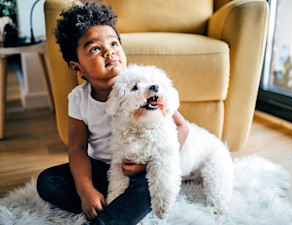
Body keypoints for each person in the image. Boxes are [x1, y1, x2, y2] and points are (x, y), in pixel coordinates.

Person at [36, 1, 189, 225]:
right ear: (78, 68)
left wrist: (146, 166)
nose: (110, 51)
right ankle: (113, 204)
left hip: (139, 166)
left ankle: (108, 219)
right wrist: (86, 191)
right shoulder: (79, 99)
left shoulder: (143, 84)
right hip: (102, 168)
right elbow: (77, 147)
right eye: (95, 49)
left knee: (149, 185)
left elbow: (181, 127)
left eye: (114, 43)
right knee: (48, 181)